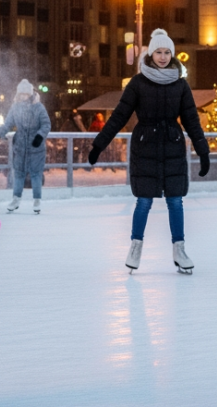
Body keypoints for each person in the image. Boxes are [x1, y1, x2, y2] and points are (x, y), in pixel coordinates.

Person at [88, 29, 209, 274]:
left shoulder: (180, 84)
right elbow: (120, 115)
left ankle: (179, 249)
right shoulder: (138, 83)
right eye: (158, 52)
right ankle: (135, 246)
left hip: (173, 145)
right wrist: (99, 144)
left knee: (176, 201)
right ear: (150, 54)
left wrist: (202, 150)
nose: (163, 57)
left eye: (167, 52)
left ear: (172, 55)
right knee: (143, 201)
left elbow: (191, 120)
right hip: (145, 145)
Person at [0, 79, 51, 214]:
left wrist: (40, 136)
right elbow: (7, 124)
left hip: (36, 147)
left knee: (36, 174)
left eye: (25, 94)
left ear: (30, 94)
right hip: (21, 146)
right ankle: (16, 199)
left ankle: (37, 200)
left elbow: (46, 124)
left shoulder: (39, 107)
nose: (23, 96)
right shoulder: (15, 107)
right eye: (21, 94)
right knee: (19, 174)